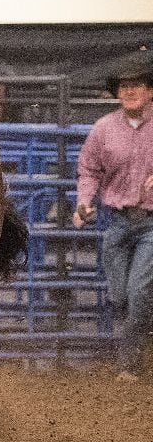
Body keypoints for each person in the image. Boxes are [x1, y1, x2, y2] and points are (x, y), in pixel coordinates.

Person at [74, 54, 153, 382]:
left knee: (136, 292)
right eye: (124, 86)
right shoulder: (103, 129)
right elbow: (89, 170)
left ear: (150, 91)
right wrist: (83, 203)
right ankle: (143, 338)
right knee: (120, 294)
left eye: (136, 85)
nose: (129, 90)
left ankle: (130, 366)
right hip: (117, 221)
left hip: (150, 222)